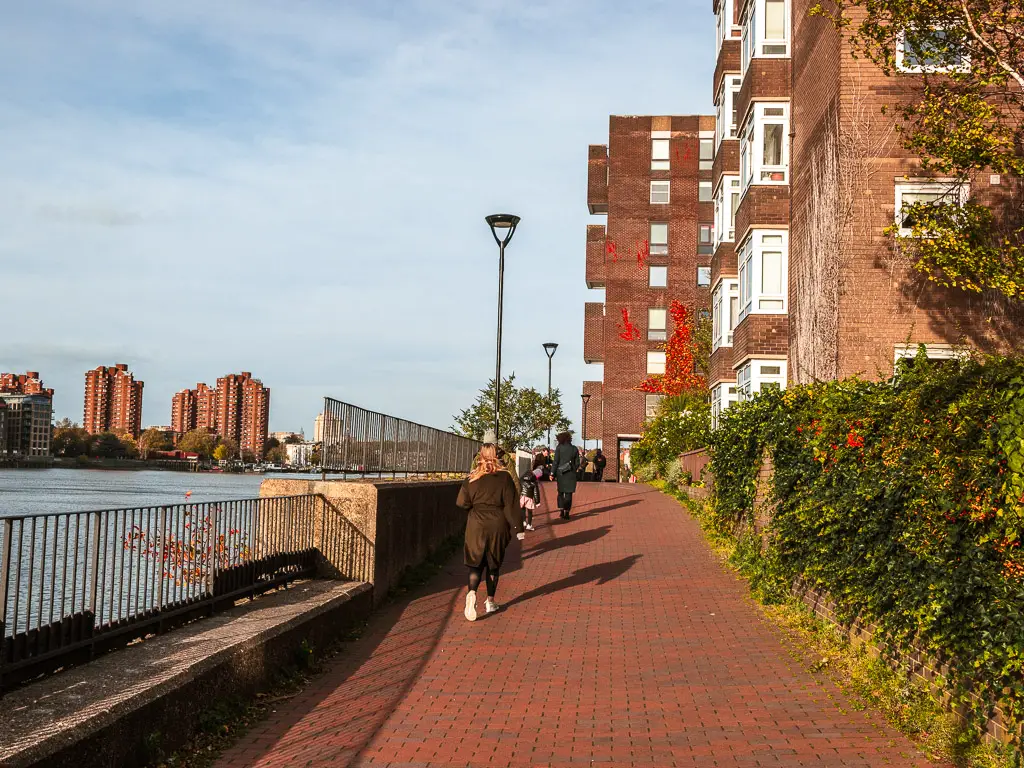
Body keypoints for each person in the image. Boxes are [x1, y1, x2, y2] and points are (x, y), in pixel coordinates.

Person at [457, 444, 524, 621]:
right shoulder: (504, 477)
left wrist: (474, 507)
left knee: (475, 564)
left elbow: (461, 502)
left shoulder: (472, 478)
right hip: (497, 523)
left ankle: (471, 593)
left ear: (479, 456)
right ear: (497, 456)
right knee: (493, 564)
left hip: (476, 524)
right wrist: (518, 528)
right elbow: (511, 506)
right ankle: (490, 601)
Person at [553, 431, 580, 520]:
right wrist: (573, 468)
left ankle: (561, 510)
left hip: (560, 474)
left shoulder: (559, 448)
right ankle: (567, 512)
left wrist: (552, 473)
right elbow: (577, 463)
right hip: (571, 474)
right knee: (569, 494)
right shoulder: (574, 449)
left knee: (560, 492)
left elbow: (555, 462)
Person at [519, 455, 544, 531]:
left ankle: (523, 521)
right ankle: (529, 525)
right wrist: (537, 502)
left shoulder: (523, 477)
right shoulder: (534, 483)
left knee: (522, 509)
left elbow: (519, 483)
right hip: (529, 497)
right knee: (529, 511)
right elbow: (536, 493)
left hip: (522, 496)